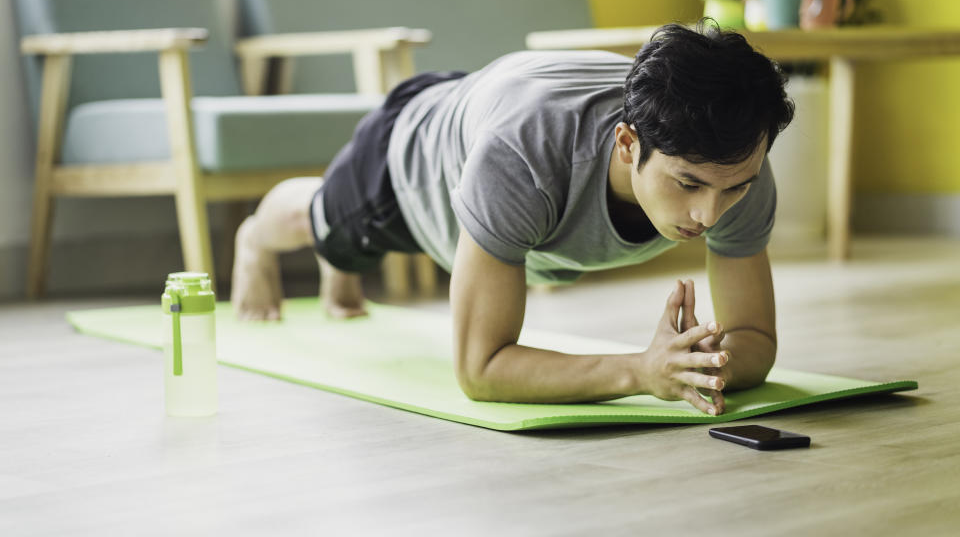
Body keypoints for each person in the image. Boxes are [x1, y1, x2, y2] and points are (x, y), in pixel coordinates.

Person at [231, 20, 795, 416]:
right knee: (325, 225)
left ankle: (341, 271)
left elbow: (756, 341)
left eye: (734, 189)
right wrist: (642, 372)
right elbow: (481, 369)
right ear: (628, 144)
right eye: (687, 184)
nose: (710, 213)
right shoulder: (522, 156)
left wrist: (700, 363)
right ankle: (255, 237)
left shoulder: (735, 162)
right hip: (412, 156)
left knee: (345, 259)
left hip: (495, 111)